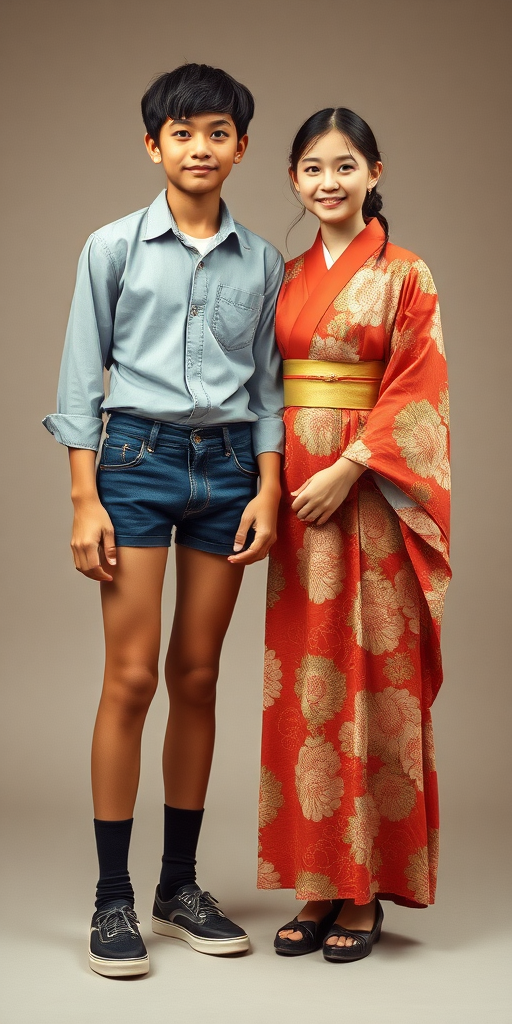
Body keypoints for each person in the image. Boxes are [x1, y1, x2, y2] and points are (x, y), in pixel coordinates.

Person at [43, 63, 284, 978]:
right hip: (134, 465)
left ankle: (177, 887)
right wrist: (83, 498)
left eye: (217, 132)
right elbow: (78, 379)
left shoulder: (260, 261)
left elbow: (268, 389)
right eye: (182, 133)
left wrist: (266, 486)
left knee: (198, 673)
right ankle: (113, 900)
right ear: (154, 145)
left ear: (241, 148)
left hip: (227, 471)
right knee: (133, 677)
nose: (199, 148)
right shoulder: (111, 247)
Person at [258, 108, 450, 962]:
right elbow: (263, 384)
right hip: (299, 496)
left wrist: (350, 466)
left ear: (375, 171)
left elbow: (417, 389)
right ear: (294, 180)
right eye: (310, 168)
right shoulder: (287, 274)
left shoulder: (406, 273)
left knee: (368, 672)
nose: (327, 182)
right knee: (305, 679)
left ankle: (363, 892)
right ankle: (315, 883)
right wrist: (282, 480)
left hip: (369, 496)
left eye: (344, 166)